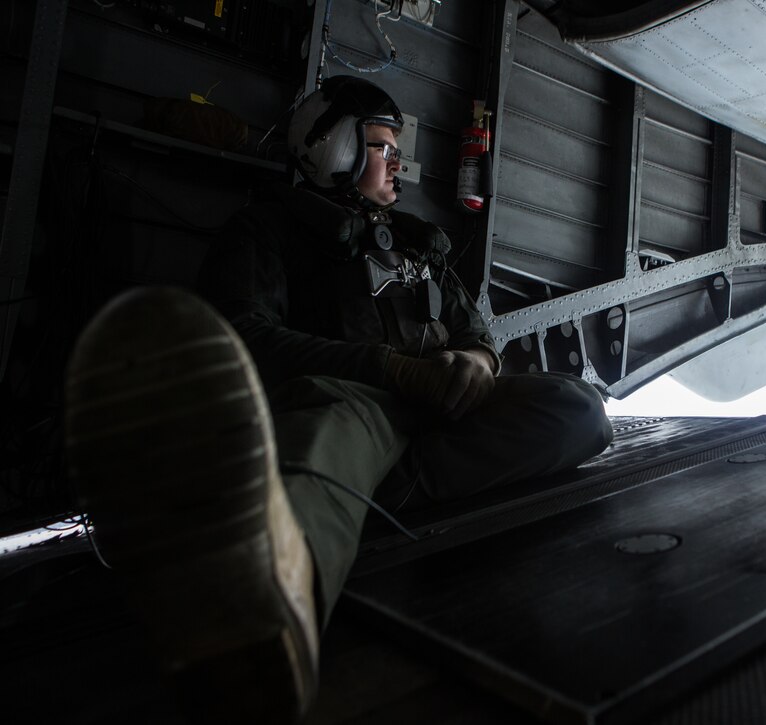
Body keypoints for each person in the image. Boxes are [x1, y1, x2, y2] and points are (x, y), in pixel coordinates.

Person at [63, 76, 613, 723]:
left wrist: (475, 360)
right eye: (381, 146)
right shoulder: (266, 230)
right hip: (358, 405)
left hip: (437, 420)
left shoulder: (417, 243)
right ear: (333, 150)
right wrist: (386, 368)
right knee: (334, 428)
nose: (396, 162)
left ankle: (352, 495)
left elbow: (475, 330)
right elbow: (246, 335)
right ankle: (273, 608)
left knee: (578, 411)